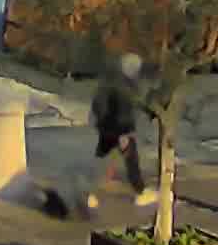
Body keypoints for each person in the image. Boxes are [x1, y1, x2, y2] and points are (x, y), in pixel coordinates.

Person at [36, 53, 155, 218]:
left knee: (106, 163)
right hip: (117, 131)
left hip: (107, 129)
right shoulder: (123, 87)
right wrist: (122, 133)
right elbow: (120, 111)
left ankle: (84, 195)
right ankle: (138, 192)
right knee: (120, 163)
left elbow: (100, 106)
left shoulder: (112, 83)